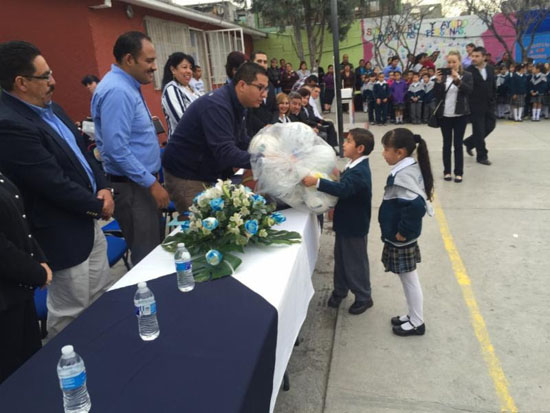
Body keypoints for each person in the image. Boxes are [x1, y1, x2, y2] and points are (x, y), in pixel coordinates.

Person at [0, 40, 113, 338]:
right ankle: (70, 369)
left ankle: (106, 349)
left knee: (101, 295)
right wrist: (97, 205)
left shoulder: (52, 108)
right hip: (61, 233)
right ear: (21, 83)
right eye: (45, 76)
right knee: (71, 314)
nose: (54, 81)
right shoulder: (10, 124)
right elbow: (51, 183)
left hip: (90, 220)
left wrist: (104, 187)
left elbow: (85, 151)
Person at [92, 31, 169, 265]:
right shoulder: (118, 91)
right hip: (134, 188)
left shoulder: (127, 85)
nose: (154, 67)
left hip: (140, 184)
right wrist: (152, 184)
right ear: (129, 59)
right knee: (147, 258)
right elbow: (117, 149)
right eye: (149, 61)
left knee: (153, 250)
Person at [162, 62, 268, 214]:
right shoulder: (217, 106)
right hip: (188, 175)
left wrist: (265, 148)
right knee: (204, 228)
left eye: (266, 89)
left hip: (210, 171)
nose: (264, 94)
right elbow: (225, 152)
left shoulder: (239, 104)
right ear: (242, 85)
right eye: (260, 87)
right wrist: (265, 160)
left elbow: (240, 139)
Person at [302, 128, 374, 315]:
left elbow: (344, 189)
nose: (344, 144)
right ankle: (340, 290)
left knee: (355, 262)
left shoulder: (360, 172)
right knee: (341, 259)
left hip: (354, 225)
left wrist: (316, 182)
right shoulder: (353, 164)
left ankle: (364, 296)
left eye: (348, 141)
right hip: (345, 222)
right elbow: (343, 183)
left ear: (360, 148)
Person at [379, 128, 434, 336]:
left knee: (410, 279)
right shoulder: (408, 168)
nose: (383, 154)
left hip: (402, 238)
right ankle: (412, 315)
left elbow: (416, 206)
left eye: (386, 149)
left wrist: (403, 232)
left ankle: (417, 322)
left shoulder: (402, 176)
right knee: (407, 279)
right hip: (400, 236)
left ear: (400, 152)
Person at [0, 172, 52, 383]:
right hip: (5, 298)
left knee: (30, 365)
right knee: (11, 375)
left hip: (19, 290)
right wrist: (36, 273)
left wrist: (39, 258)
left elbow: (19, 221)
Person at [434, 50, 473, 183]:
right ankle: (447, 171)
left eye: (454, 62)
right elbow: (437, 96)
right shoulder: (443, 76)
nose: (451, 64)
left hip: (460, 115)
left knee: (458, 144)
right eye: (449, 62)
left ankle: (459, 172)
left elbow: (469, 91)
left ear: (459, 62)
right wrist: (438, 82)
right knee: (446, 144)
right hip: (445, 115)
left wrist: (457, 80)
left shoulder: (467, 75)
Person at [463, 46, 496, 166]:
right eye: (473, 56)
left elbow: (493, 86)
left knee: (490, 126)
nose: (474, 58)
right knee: (479, 130)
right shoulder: (469, 71)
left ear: (484, 57)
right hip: (475, 106)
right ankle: (482, 156)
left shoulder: (491, 69)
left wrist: (493, 100)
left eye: (477, 56)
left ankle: (469, 142)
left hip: (489, 105)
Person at [161, 52, 201, 139]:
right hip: (182, 145)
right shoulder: (171, 89)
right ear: (173, 70)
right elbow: (182, 120)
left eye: (190, 68)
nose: (189, 71)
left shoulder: (193, 89)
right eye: (184, 67)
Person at [247, 50, 277, 137]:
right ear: (251, 63)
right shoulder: (247, 84)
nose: (262, 64)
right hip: (253, 133)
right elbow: (249, 112)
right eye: (259, 61)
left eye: (265, 62)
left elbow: (275, 109)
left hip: (270, 132)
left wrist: (272, 125)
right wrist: (263, 127)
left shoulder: (270, 85)